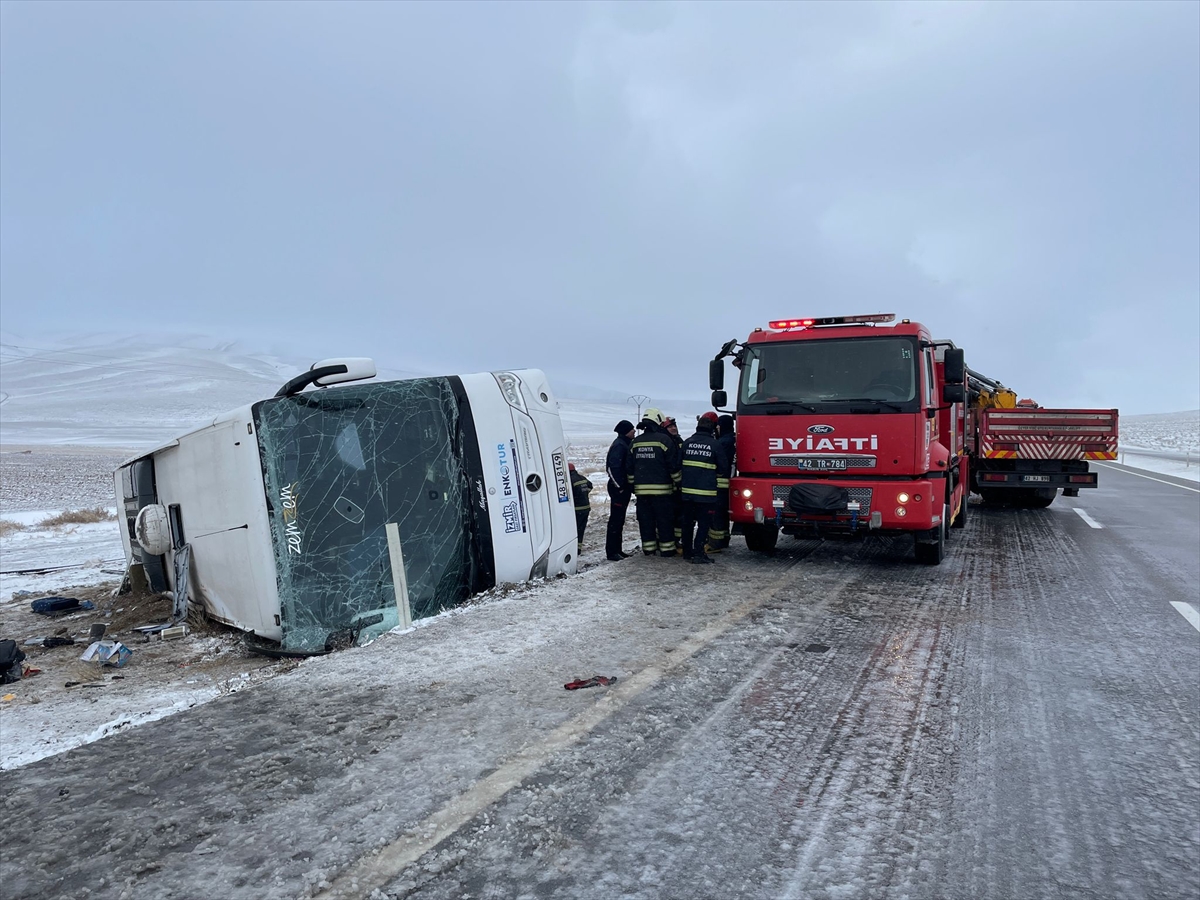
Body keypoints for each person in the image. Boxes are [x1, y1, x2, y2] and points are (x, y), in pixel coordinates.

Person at [626, 408, 681, 556]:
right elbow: (673, 466)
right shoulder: (664, 440)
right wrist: (679, 483)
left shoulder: (635, 443)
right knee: (664, 521)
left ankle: (649, 550)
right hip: (663, 492)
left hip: (642, 494)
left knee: (646, 521)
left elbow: (629, 469)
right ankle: (667, 550)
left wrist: (633, 486)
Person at [681, 413, 724, 563]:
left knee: (687, 524)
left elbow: (677, 465)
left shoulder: (687, 443)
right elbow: (723, 468)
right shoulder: (715, 445)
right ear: (712, 428)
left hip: (686, 493)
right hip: (706, 494)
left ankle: (687, 552)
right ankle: (699, 553)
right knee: (703, 524)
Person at [604, 420, 635, 560]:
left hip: (622, 488)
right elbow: (613, 468)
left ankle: (618, 550)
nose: (634, 431)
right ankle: (612, 552)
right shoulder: (619, 446)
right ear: (625, 431)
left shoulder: (624, 444)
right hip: (618, 489)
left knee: (620, 520)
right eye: (632, 430)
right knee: (616, 521)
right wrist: (621, 487)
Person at [707, 414, 736, 552]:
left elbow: (718, 463)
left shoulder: (723, 442)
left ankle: (715, 544)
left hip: (720, 484)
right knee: (723, 513)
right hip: (733, 482)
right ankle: (724, 539)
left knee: (717, 514)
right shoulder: (735, 439)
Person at [663, 416, 685, 549]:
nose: (674, 428)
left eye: (674, 426)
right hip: (668, 485)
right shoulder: (665, 442)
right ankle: (668, 540)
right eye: (670, 426)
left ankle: (677, 540)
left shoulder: (679, 440)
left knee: (679, 516)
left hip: (678, 486)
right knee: (667, 516)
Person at [568, 463, 592, 554]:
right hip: (586, 508)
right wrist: (584, 494)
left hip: (577, 509)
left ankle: (574, 549)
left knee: (574, 530)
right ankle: (578, 548)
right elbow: (590, 486)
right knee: (581, 529)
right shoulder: (582, 478)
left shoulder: (569, 480)